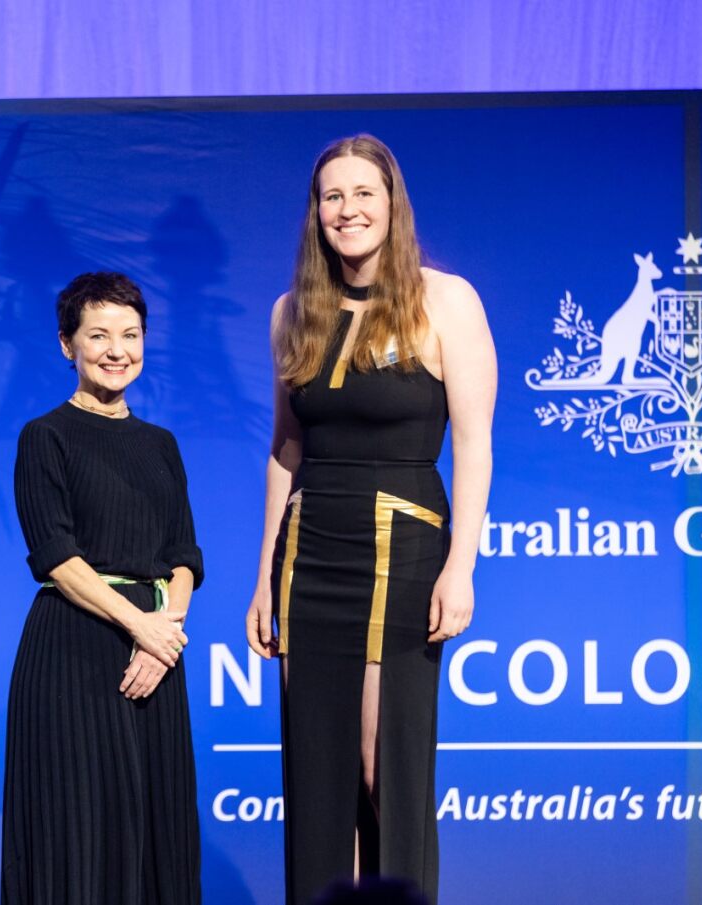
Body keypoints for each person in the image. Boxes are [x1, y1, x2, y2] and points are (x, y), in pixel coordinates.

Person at [246, 135, 497, 905]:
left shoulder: (444, 299)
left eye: (363, 193)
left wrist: (462, 566)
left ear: (392, 204)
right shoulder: (292, 311)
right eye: (331, 196)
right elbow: (286, 448)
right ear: (315, 213)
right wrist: (263, 582)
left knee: (376, 762)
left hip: (403, 550)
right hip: (308, 555)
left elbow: (476, 443)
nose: (347, 209)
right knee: (316, 772)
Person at [2, 272, 202, 905]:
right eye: (99, 335)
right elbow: (57, 557)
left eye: (131, 334)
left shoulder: (160, 444)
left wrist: (162, 632)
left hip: (157, 657)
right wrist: (140, 626)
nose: (118, 350)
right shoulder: (46, 436)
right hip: (76, 650)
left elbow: (184, 555)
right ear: (68, 345)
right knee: (79, 832)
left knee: (159, 828)